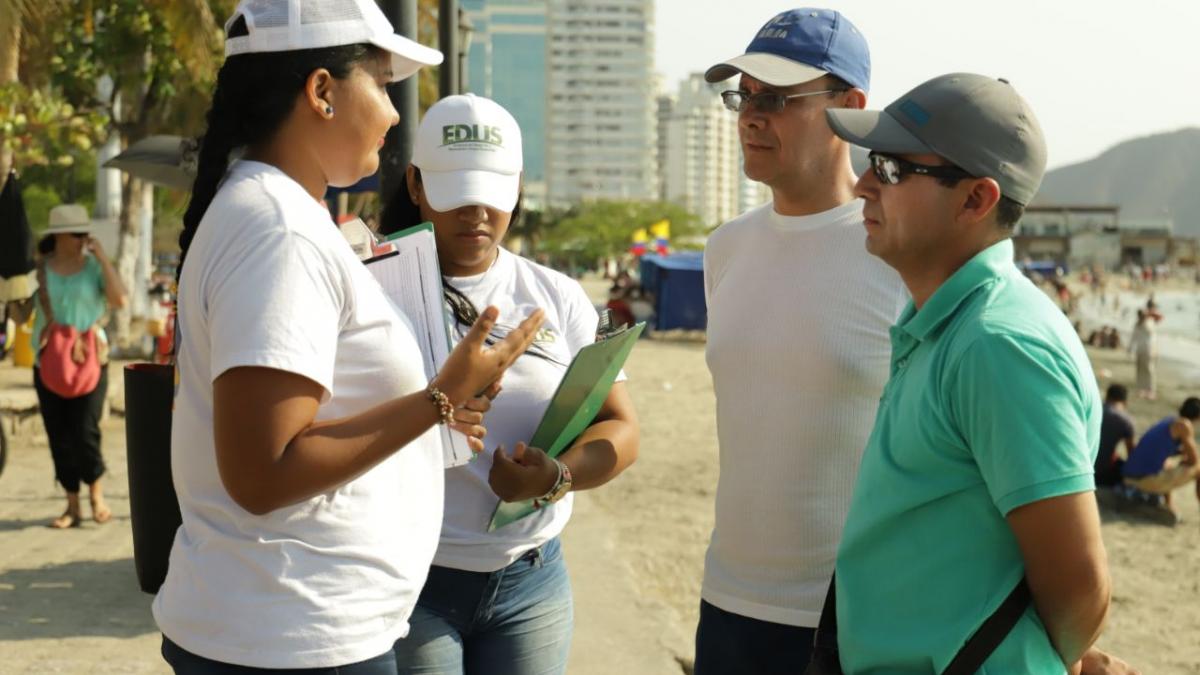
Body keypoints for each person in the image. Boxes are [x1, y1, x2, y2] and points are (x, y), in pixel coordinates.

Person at [152, 2, 544, 673]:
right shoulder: (277, 231)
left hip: (290, 624)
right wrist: (440, 397)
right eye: (385, 84)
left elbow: (306, 422)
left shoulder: (275, 213)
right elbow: (261, 471)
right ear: (322, 91)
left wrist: (436, 411)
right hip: (291, 634)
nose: (395, 115)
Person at [826, 73, 1111, 672]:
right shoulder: (945, 321)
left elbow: (1080, 582)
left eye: (893, 169)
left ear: (976, 200)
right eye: (870, 161)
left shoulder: (998, 345)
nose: (861, 183)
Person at [380, 94, 640, 675]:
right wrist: (435, 409)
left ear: (518, 186)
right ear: (416, 185)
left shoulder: (558, 295)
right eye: (455, 191)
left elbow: (621, 427)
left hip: (533, 580)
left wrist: (556, 477)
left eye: (492, 192)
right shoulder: (372, 290)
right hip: (410, 577)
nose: (476, 211)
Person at [696, 9, 907, 673]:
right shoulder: (725, 249)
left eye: (778, 99)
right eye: (745, 96)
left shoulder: (900, 254)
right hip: (725, 603)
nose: (751, 116)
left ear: (851, 109)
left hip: (850, 617)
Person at [32, 203, 127, 529]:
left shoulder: (94, 268)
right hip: (48, 360)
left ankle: (96, 496)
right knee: (58, 434)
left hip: (91, 360)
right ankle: (72, 505)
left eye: (85, 232)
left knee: (86, 431)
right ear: (59, 235)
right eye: (77, 233)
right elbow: (22, 310)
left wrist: (102, 258)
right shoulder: (39, 270)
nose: (83, 238)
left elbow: (120, 301)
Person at [1121, 397, 1200, 518]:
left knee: (1167, 464)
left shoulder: (1170, 420)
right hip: (1143, 480)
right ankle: (1169, 505)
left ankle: (1168, 505)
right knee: (1198, 470)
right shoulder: (1184, 425)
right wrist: (1186, 459)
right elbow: (1194, 460)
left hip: (1130, 475)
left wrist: (1181, 455)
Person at [1096, 384, 1136, 488]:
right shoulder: (1126, 421)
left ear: (1107, 397)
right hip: (1102, 476)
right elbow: (1131, 454)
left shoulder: (1094, 410)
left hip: (1081, 468)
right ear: (1125, 402)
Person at [1129, 309, 1156, 399]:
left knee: (1149, 370)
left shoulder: (1150, 322)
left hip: (1149, 350)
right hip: (1140, 350)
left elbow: (1151, 332)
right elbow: (1134, 337)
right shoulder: (1137, 324)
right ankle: (1141, 389)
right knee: (1139, 370)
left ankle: (1150, 390)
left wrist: (1144, 322)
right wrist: (1130, 348)